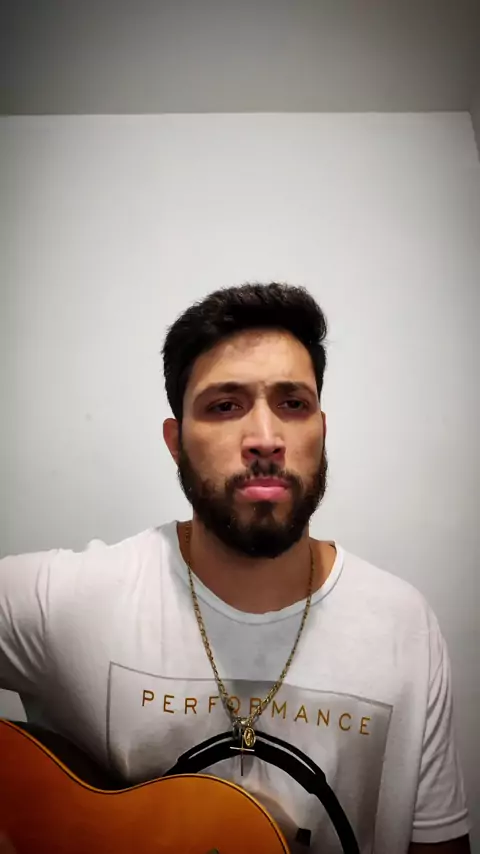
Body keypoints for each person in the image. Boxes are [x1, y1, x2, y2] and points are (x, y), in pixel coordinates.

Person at [0, 283, 471, 853]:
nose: (265, 440)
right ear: (176, 442)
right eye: (225, 406)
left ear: (322, 431)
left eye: (292, 404)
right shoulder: (71, 603)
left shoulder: (404, 628)